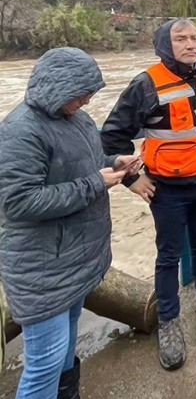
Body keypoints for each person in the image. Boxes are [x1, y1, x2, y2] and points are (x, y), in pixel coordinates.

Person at [101, 19, 196, 372]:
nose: (190, 44)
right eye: (181, 39)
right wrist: (133, 179)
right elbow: (112, 136)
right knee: (169, 255)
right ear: (166, 44)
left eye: (195, 37)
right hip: (167, 190)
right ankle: (168, 320)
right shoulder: (146, 84)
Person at [0, 47, 138, 399]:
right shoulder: (20, 131)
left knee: (67, 340)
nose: (88, 102)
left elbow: (85, 163)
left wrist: (114, 162)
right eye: (82, 94)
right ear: (59, 87)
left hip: (74, 259)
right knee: (44, 362)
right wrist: (96, 183)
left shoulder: (76, 120)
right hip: (42, 267)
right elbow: (18, 201)